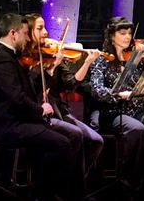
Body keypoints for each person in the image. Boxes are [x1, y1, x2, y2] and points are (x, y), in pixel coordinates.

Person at [0, 12, 77, 201]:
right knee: (62, 144)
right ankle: (46, 194)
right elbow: (16, 98)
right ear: (13, 34)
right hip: (8, 126)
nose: (27, 38)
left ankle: (42, 191)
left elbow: (21, 93)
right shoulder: (2, 60)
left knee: (61, 139)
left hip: (19, 121)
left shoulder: (10, 58)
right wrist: (40, 109)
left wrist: (39, 99)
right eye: (25, 33)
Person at [84, 16, 144, 190]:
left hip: (137, 110)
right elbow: (97, 91)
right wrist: (120, 95)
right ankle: (131, 179)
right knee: (137, 128)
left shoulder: (136, 60)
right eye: (123, 33)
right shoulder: (102, 60)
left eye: (129, 33)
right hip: (114, 113)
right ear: (111, 36)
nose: (128, 37)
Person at [23, 14, 104, 181]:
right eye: (40, 28)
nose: (45, 32)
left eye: (44, 27)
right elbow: (29, 86)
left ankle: (72, 182)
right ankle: (63, 185)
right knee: (74, 136)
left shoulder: (53, 54)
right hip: (36, 111)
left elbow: (71, 84)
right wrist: (50, 67)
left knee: (95, 140)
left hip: (58, 109)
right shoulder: (25, 56)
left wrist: (87, 62)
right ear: (29, 32)